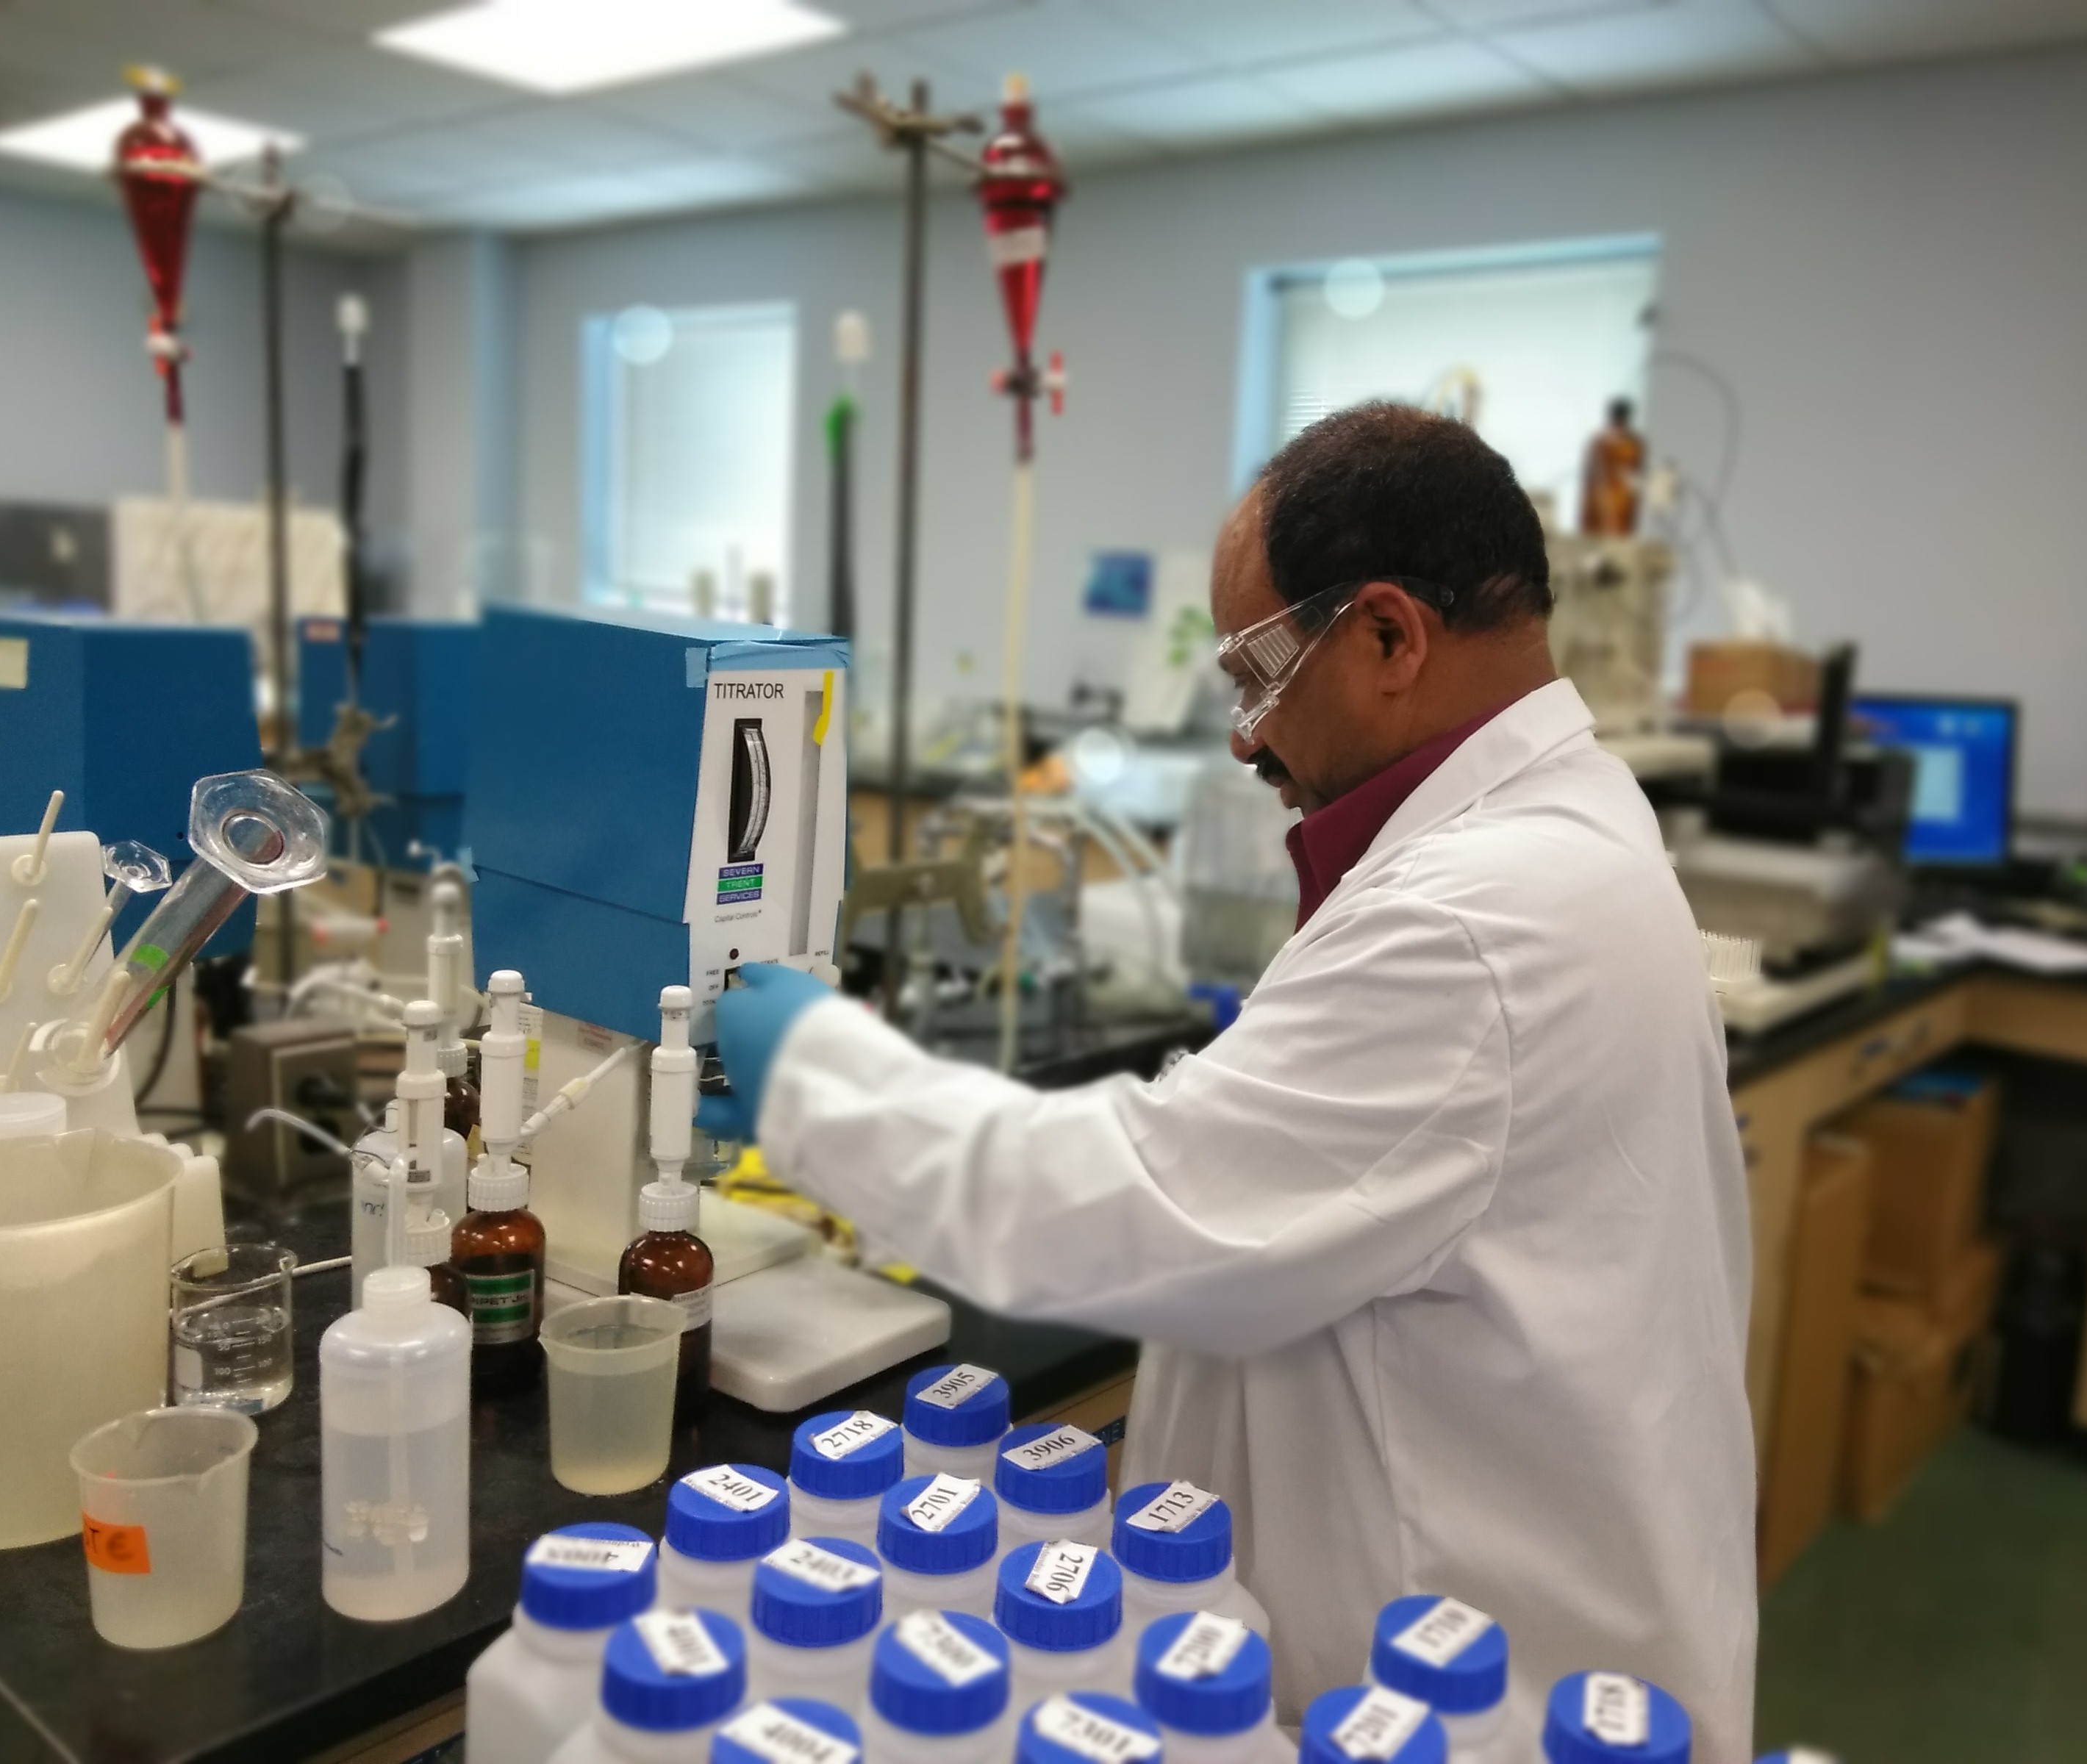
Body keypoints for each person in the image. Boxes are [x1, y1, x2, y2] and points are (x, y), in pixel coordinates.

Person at [701, 404, 1755, 1764]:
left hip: (1461, 1688)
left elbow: (1114, 1211)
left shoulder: (1475, 919)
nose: (1249, 740)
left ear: (1389, 636)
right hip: (1521, 1636)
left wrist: (810, 1070)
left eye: (1257, 672)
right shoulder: (1573, 825)